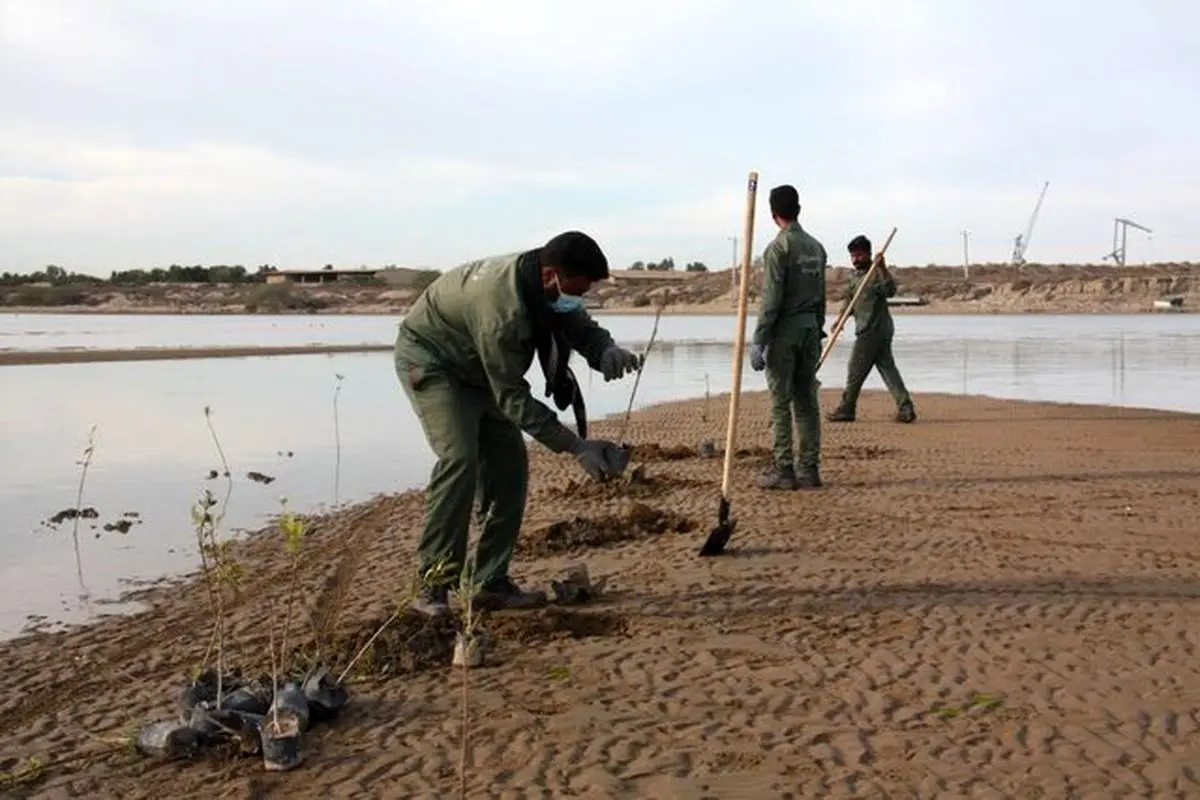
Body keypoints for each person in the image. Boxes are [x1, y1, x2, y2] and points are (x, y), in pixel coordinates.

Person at [394, 231, 643, 617]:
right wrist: (577, 446)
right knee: (460, 461)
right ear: (551, 277)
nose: (581, 297)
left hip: (483, 368)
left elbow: (576, 321)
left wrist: (604, 350)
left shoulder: (546, 283)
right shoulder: (502, 312)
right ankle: (434, 585)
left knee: (510, 469)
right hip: (435, 363)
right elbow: (511, 397)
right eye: (577, 289)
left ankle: (490, 584)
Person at [749, 184, 828, 491]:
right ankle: (809, 469)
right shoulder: (816, 248)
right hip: (810, 329)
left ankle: (785, 469)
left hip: (785, 332)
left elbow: (771, 300)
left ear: (773, 215)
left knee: (781, 401)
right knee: (807, 401)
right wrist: (817, 330)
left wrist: (760, 340)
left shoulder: (778, 248)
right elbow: (821, 297)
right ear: (798, 209)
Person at [826, 234, 917, 424]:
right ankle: (905, 406)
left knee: (855, 369)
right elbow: (849, 302)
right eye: (852, 256)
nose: (855, 259)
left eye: (859, 255)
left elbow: (890, 291)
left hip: (874, 330)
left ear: (867, 254)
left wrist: (882, 267)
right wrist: (840, 320)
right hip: (869, 329)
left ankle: (847, 408)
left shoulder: (875, 274)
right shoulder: (854, 279)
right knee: (887, 368)